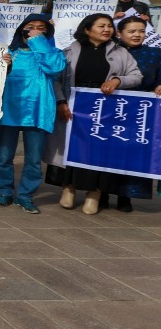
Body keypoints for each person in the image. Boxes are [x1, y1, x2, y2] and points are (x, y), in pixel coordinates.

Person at [44, 13, 142, 214]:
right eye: (101, 26)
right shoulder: (68, 52)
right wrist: (61, 101)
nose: (107, 29)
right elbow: (55, 79)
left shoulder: (121, 53)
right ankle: (68, 188)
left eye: (109, 26)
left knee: (99, 151)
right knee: (73, 148)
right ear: (87, 29)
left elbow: (136, 76)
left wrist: (117, 80)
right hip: (74, 107)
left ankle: (94, 194)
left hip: (106, 110)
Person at [0, 14, 66, 214]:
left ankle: (25, 195)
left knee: (33, 160)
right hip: (8, 111)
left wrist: (38, 41)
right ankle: (5, 190)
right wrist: (3, 65)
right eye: (30, 27)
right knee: (4, 156)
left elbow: (54, 69)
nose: (34, 30)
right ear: (20, 30)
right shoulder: (8, 52)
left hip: (38, 111)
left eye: (41, 28)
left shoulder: (54, 53)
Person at [102, 16, 160, 212]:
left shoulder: (155, 54)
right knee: (107, 150)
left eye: (141, 31)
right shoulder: (109, 51)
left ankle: (126, 195)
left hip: (141, 112)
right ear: (119, 33)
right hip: (110, 109)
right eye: (132, 31)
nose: (137, 35)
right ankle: (101, 192)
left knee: (134, 152)